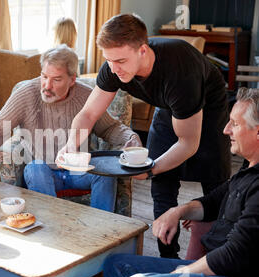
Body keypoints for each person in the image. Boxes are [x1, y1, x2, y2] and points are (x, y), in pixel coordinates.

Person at [58, 14, 231, 258]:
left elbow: (188, 143)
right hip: (167, 105)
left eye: (120, 60)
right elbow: (87, 114)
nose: (114, 68)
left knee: (216, 185)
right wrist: (69, 145)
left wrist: (150, 169)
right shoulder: (113, 67)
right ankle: (168, 259)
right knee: (162, 188)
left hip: (208, 109)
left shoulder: (180, 72)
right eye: (109, 60)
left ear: (142, 50)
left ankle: (219, 261)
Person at [102, 87, 259, 277]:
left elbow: (235, 254)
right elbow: (212, 202)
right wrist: (176, 211)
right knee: (117, 265)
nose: (226, 130)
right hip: (212, 268)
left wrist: (186, 272)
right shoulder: (247, 170)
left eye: (236, 124)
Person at [0, 45, 141, 213]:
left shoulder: (85, 95)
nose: (47, 86)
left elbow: (110, 128)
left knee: (105, 174)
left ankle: (103, 231)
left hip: (78, 171)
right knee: (35, 167)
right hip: (43, 173)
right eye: (44, 76)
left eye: (57, 80)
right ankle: (51, 225)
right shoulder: (27, 93)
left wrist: (130, 138)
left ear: (72, 79)